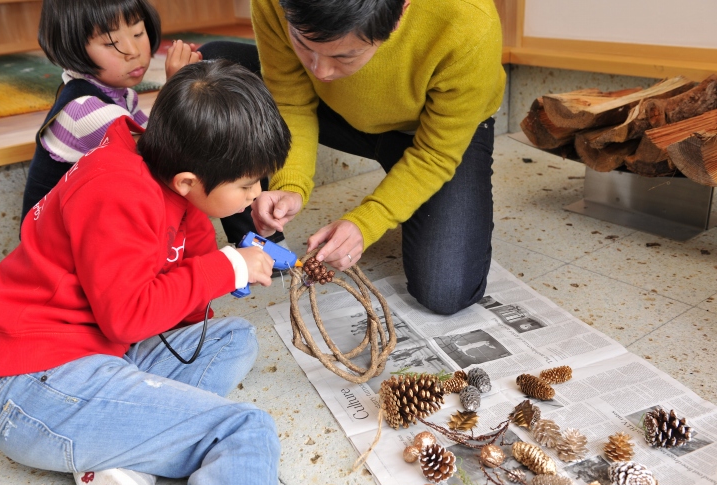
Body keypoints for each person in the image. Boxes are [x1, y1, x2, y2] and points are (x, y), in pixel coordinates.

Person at [0, 60, 291, 485]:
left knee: (234, 337)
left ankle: (121, 456)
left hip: (93, 356)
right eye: (246, 185)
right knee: (244, 429)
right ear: (187, 181)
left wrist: (221, 273)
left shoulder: (180, 194)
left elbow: (181, 314)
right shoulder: (116, 190)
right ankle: (122, 444)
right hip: (30, 385)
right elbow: (128, 317)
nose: (255, 194)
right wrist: (223, 268)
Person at [200, 0, 505, 315]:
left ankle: (414, 194)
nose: (320, 70)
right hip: (340, 111)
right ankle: (260, 241)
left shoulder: (467, 20)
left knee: (447, 292)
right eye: (304, 45)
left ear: (400, 12)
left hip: (432, 134)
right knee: (210, 74)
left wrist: (365, 223)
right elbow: (291, 100)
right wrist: (290, 182)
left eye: (344, 55)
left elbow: (436, 153)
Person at [20, 0, 202, 224]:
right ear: (72, 47)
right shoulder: (84, 110)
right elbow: (160, 157)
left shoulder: (122, 95)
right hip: (56, 248)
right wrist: (177, 88)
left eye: (138, 33)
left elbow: (156, 135)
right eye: (111, 42)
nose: (133, 52)